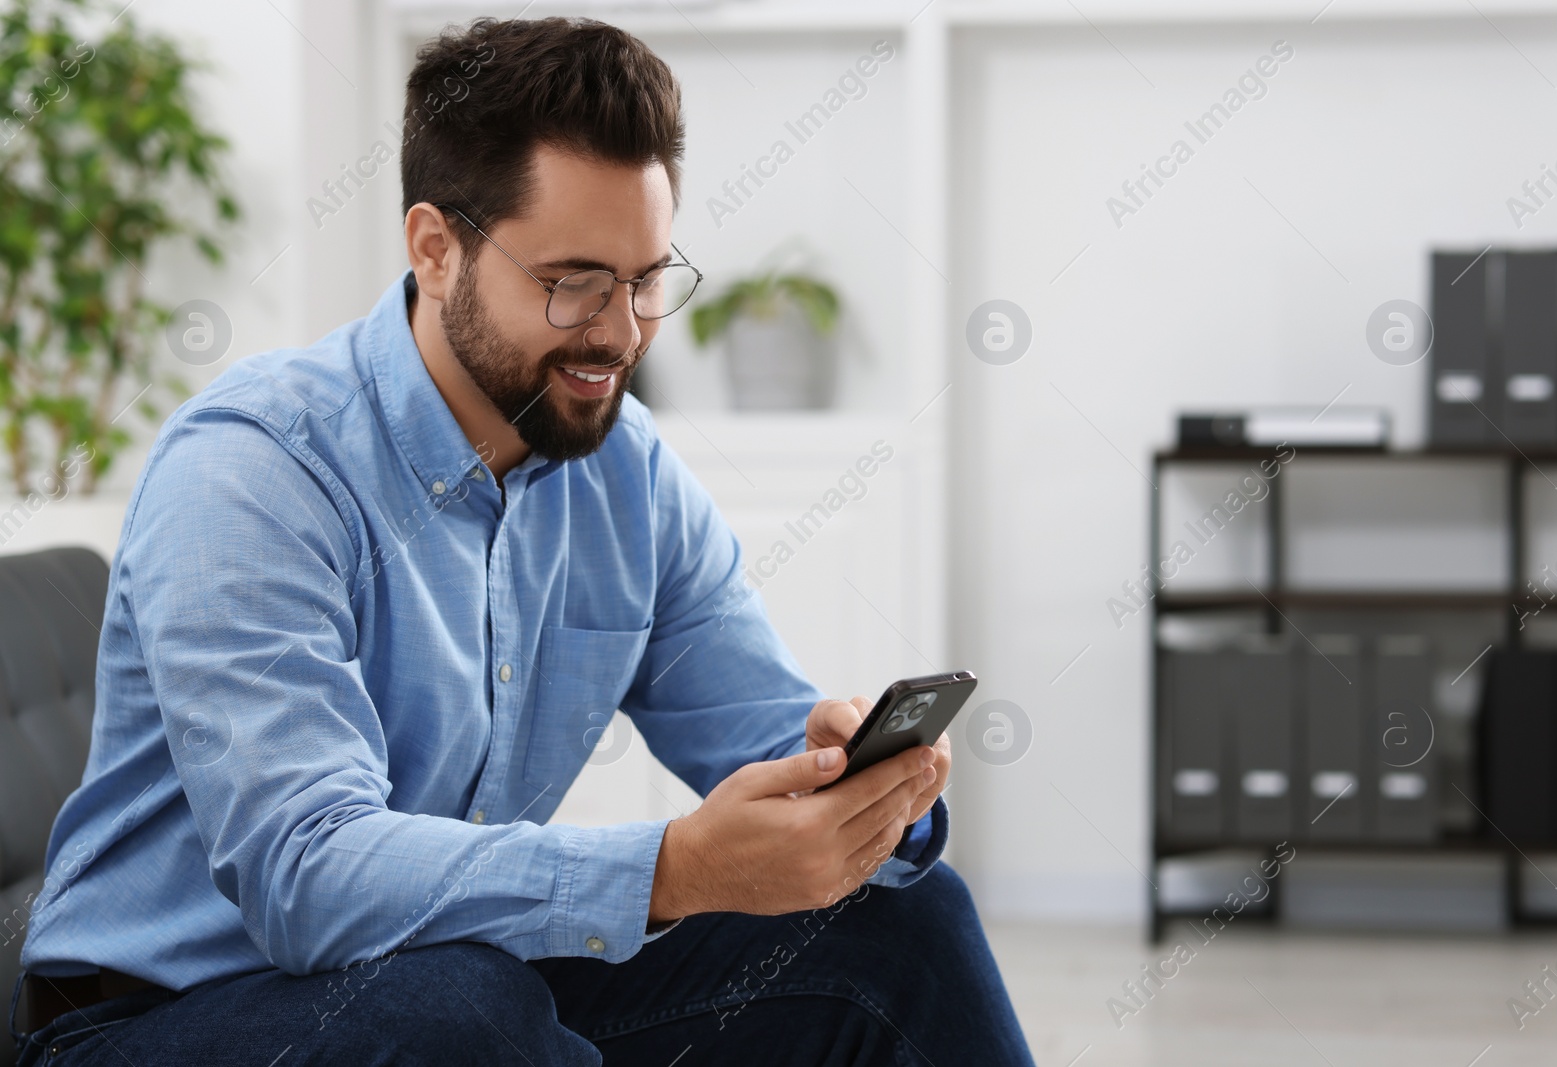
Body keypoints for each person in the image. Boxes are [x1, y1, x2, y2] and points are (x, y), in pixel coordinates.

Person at [10, 16, 1035, 1066]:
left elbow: (764, 732)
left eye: (644, 280)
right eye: (575, 282)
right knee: (463, 1009)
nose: (623, 331)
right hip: (151, 1018)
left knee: (900, 928)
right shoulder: (256, 469)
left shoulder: (625, 475)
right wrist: (675, 868)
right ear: (434, 247)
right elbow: (306, 879)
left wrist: (868, 791)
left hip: (449, 976)